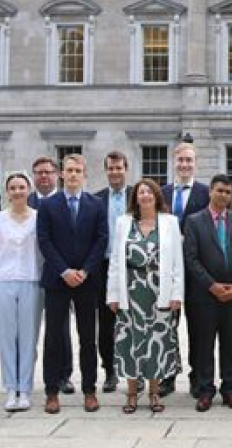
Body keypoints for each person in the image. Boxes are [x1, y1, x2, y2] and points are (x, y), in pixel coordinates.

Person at [37, 153, 108, 414]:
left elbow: (101, 240)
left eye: (78, 170)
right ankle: (52, 391)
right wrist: (64, 270)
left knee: (88, 337)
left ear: (84, 174)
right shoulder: (48, 205)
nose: (74, 175)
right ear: (61, 174)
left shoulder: (96, 204)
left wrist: (85, 271)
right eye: (69, 170)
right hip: (57, 280)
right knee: (54, 337)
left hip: (87, 282)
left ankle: (90, 390)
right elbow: (44, 241)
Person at [107, 178, 184, 413]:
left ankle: (154, 392)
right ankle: (131, 393)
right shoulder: (123, 222)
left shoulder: (170, 222)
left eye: (149, 192)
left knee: (157, 342)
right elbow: (115, 261)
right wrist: (112, 294)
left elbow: (177, 262)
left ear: (157, 196)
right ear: (136, 197)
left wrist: (176, 293)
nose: (145, 196)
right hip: (130, 291)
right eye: (141, 192)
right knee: (130, 341)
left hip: (159, 291)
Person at [183, 174, 232, 411]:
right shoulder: (193, 221)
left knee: (231, 343)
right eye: (219, 190)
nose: (224, 195)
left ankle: (229, 389)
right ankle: (205, 389)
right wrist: (211, 285)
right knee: (204, 344)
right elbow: (191, 259)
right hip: (204, 296)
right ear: (210, 192)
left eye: (227, 191)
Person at [0, 172, 43, 412]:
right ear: (7, 192)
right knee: (6, 337)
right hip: (3, 281)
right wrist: (1, 274)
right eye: (13, 187)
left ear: (28, 190)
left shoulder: (38, 218)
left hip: (31, 280)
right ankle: (11, 388)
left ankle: (26, 388)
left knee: (29, 337)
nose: (18, 191)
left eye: (22, 187)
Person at [159, 140, 208, 396]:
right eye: (180, 160)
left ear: (194, 163)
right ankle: (168, 375)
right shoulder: (163, 193)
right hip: (168, 270)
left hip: (196, 269)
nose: (185, 164)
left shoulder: (205, 192)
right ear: (174, 162)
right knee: (168, 324)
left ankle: (197, 376)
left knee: (198, 326)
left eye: (189, 160)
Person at [27, 155, 75, 396]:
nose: (43, 177)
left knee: (60, 327)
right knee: (31, 328)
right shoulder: (24, 200)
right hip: (29, 273)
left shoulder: (66, 201)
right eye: (39, 172)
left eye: (47, 172)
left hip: (61, 273)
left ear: (57, 175)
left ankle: (64, 374)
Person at [95, 150, 131, 393]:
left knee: (131, 320)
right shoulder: (96, 200)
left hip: (132, 266)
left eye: (119, 168)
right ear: (106, 170)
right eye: (111, 168)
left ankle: (133, 369)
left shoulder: (137, 197)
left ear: (126, 170)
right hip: (104, 266)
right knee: (106, 321)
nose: (115, 172)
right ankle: (110, 370)